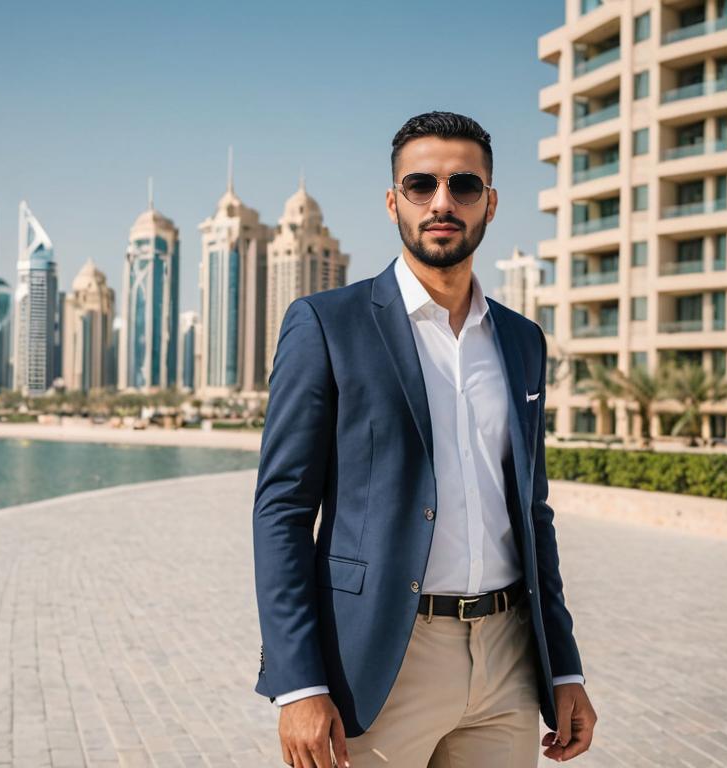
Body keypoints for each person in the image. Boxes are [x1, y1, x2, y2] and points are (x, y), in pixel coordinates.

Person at [252, 111, 597, 767]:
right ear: (393, 202)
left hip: (507, 661)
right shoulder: (327, 324)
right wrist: (298, 683)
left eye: (465, 185)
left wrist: (564, 667)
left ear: (490, 203)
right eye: (421, 185)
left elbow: (532, 511)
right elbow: (283, 510)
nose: (443, 202)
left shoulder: (523, 341)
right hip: (379, 663)